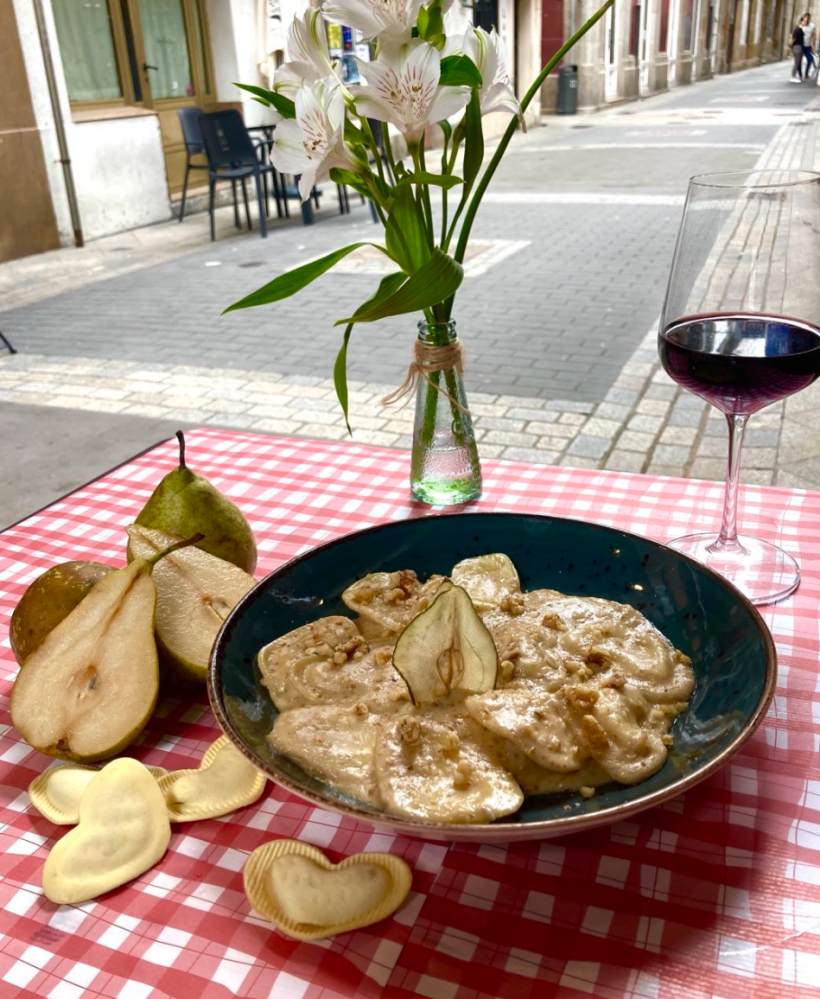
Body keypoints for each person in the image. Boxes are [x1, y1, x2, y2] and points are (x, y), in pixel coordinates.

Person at [803, 13, 817, 80]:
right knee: (798, 61)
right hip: (800, 45)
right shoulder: (801, 25)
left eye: (808, 18)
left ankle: (806, 74)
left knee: (810, 59)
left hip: (808, 46)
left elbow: (814, 36)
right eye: (805, 18)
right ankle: (799, 74)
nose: (806, 19)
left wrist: (813, 46)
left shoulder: (812, 26)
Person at [793, 18, 806, 83]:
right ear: (801, 22)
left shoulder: (799, 29)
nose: (805, 23)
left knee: (798, 62)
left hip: (797, 46)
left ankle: (798, 75)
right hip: (798, 46)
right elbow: (795, 38)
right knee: (797, 62)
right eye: (804, 21)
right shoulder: (799, 29)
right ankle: (793, 76)